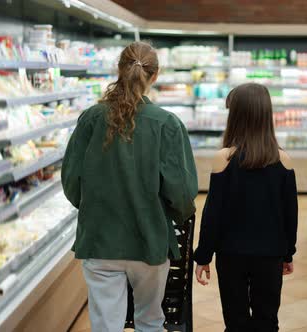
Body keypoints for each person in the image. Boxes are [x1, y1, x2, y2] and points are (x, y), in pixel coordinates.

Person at [61, 41, 198, 332]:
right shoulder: (167, 124)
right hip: (150, 240)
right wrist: (175, 215)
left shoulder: (90, 119)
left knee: (106, 325)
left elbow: (71, 182)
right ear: (155, 76)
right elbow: (183, 194)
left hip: (100, 240)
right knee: (150, 321)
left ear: (119, 71)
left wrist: (95, 206)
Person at [193, 83, 299, 332]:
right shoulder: (284, 160)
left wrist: (204, 256)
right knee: (267, 320)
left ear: (236, 116)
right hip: (270, 254)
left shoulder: (224, 159)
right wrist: (288, 253)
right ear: (266, 114)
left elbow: (213, 215)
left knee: (235, 320)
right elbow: (290, 215)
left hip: (231, 255)